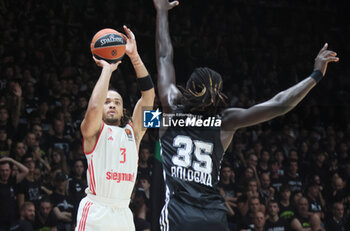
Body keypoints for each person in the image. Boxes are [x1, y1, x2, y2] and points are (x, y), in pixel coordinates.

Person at [153, 0, 339, 230]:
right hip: (214, 215)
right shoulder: (225, 122)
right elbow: (279, 104)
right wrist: (315, 75)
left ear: (188, 88)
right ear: (218, 95)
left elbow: (164, 57)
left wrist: (162, 12)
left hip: (180, 215)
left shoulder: (171, 109)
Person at [75, 25, 155, 231]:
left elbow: (149, 96)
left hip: (123, 213)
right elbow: (94, 106)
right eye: (108, 101)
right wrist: (107, 69)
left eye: (117, 102)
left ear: (123, 110)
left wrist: (134, 57)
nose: (112, 104)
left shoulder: (134, 132)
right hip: (95, 209)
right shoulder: (93, 130)